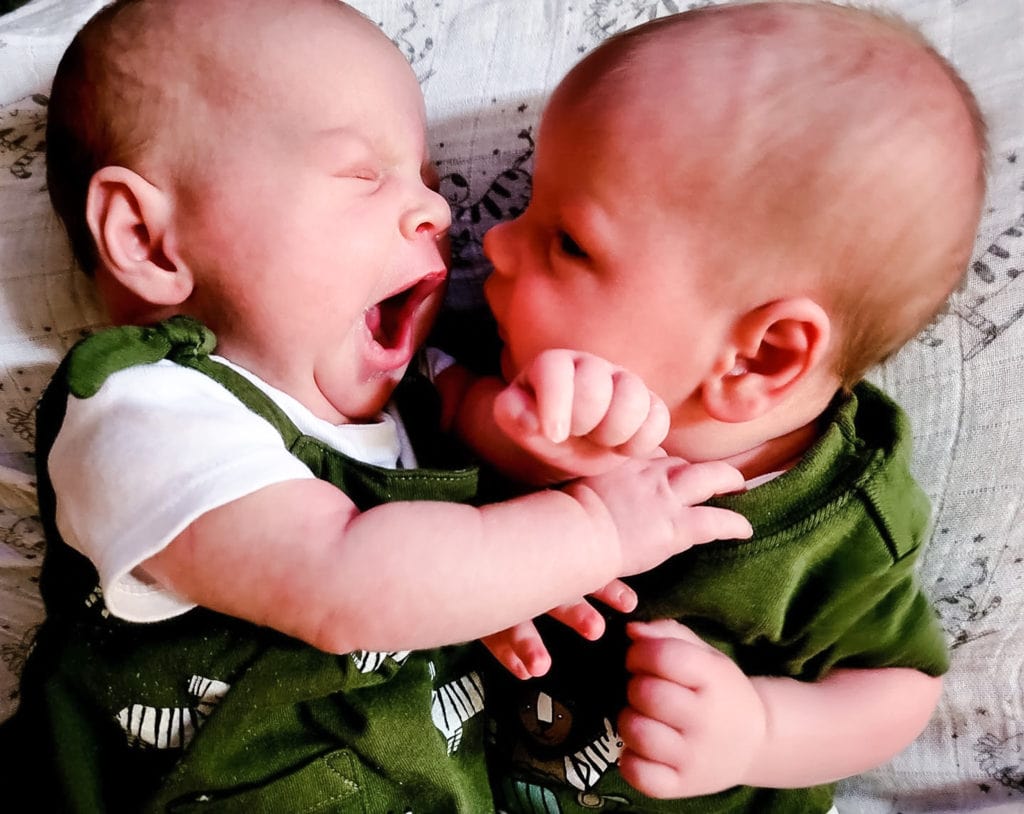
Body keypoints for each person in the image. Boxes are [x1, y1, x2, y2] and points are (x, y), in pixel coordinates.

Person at [0, 0, 754, 810]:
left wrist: (549, 497)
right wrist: (588, 534)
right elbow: (342, 581)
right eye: (362, 175)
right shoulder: (146, 409)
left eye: (429, 179)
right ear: (148, 239)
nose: (437, 211)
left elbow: (498, 461)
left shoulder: (413, 402)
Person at [467, 2, 987, 812]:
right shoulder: (528, 390)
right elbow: (425, 428)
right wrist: (512, 443)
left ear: (760, 357)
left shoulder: (835, 521)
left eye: (567, 241)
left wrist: (760, 731)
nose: (496, 242)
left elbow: (901, 686)